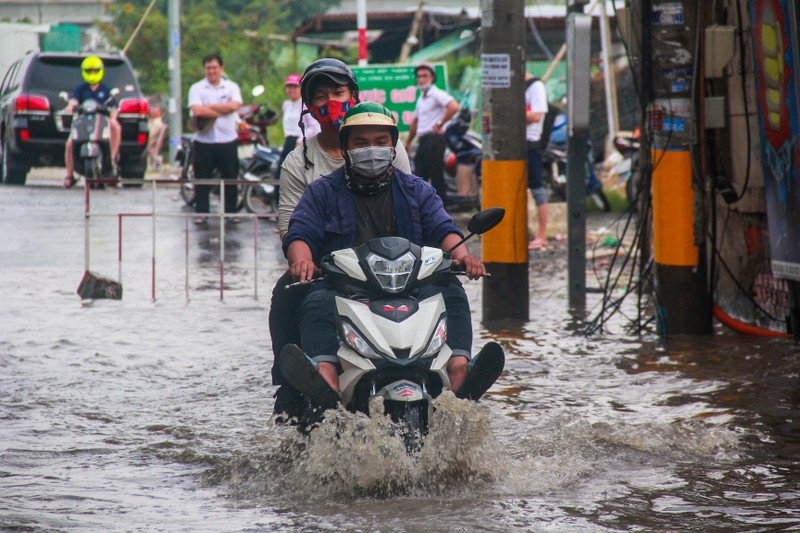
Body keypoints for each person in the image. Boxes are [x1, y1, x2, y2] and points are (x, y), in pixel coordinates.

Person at [279, 102, 490, 407]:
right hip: (345, 289)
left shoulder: (417, 190)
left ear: (393, 145)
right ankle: (324, 373)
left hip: (412, 287)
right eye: (361, 143)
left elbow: (443, 228)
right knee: (316, 301)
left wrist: (464, 256)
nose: (371, 149)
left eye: (381, 142)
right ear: (346, 146)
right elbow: (301, 233)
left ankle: (458, 368)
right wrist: (302, 261)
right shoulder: (322, 192)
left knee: (451, 292)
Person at [269, 59, 412, 419]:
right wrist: (303, 258)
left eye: (338, 92)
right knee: (289, 293)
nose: (331, 102)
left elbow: (419, 208)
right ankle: (295, 381)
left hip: (395, 265)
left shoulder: (395, 154)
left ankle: (454, 370)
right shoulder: (301, 164)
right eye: (320, 96)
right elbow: (292, 224)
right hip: (330, 270)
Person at [187, 53, 242, 224]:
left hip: (228, 141)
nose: (211, 71)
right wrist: (223, 110)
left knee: (230, 178)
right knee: (202, 178)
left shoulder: (231, 87)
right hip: (204, 142)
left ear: (221, 69)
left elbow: (236, 105)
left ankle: (230, 213)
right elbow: (197, 111)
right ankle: (202, 213)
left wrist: (209, 107)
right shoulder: (196, 88)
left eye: (214, 68)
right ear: (205, 69)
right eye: (208, 68)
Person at [62, 56, 121, 189]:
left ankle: (111, 159)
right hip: (83, 123)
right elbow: (73, 102)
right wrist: (70, 107)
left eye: (95, 70)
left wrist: (113, 116)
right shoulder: (80, 89)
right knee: (70, 143)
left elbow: (113, 106)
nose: (92, 74)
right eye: (89, 71)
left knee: (115, 126)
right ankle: (69, 176)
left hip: (101, 123)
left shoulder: (106, 90)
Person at [404, 62, 459, 203]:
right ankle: (422, 208)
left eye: (425, 76)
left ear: (432, 78)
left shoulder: (436, 93)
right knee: (419, 175)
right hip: (424, 141)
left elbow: (453, 106)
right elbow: (415, 122)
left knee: (436, 175)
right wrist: (409, 142)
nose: (421, 79)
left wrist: (440, 123)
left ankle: (442, 211)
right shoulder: (421, 98)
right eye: (419, 76)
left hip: (435, 139)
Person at [275, 73, 320, 182]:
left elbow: (314, 126)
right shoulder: (286, 104)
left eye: (295, 87)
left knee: (296, 174)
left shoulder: (305, 105)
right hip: (289, 141)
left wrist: (301, 140)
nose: (292, 90)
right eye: (289, 87)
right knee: (280, 173)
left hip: (300, 142)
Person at [525, 71, 550, 251]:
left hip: (531, 143)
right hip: (513, 144)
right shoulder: (517, 88)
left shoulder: (536, 86)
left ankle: (542, 236)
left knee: (537, 189)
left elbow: (536, 116)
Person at [146, 97, 166, 171]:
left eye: (155, 109)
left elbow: (151, 136)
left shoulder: (157, 123)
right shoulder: (152, 121)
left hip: (149, 143)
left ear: (160, 111)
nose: (152, 110)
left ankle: (156, 163)